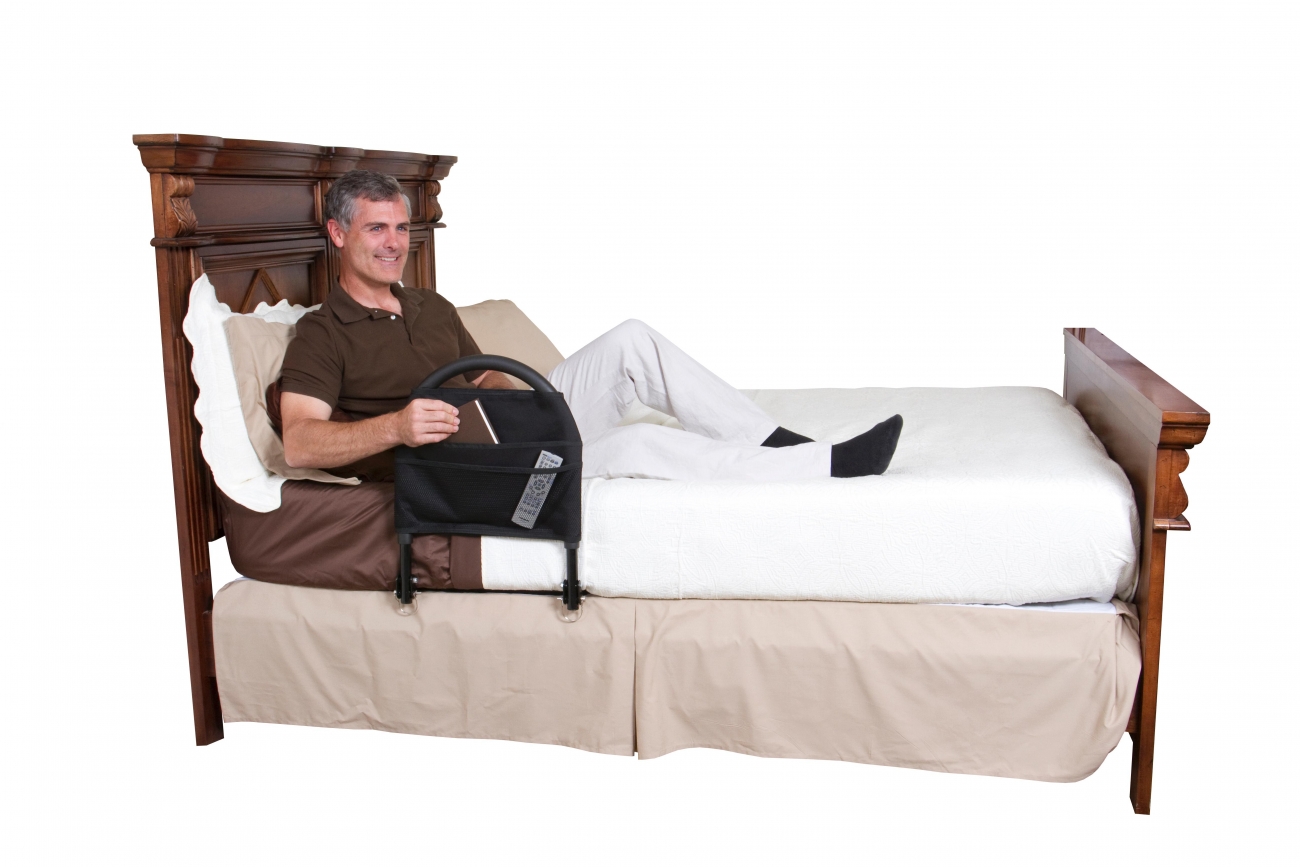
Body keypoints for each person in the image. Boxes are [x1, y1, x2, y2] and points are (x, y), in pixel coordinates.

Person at [279, 170, 902, 482]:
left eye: (401, 227)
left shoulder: (429, 305)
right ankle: (821, 470)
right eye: (376, 229)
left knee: (632, 338)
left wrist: (511, 405)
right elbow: (300, 443)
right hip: (465, 473)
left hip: (508, 431)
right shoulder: (322, 332)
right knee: (637, 445)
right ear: (338, 234)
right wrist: (398, 426)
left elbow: (484, 375)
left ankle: (780, 443)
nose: (395, 243)